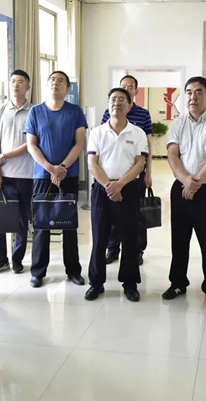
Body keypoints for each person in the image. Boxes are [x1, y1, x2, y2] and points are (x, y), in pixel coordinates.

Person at [162, 76, 206, 306]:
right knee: (179, 240)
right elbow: (172, 154)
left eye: (199, 92)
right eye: (189, 92)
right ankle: (178, 282)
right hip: (181, 188)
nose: (193, 97)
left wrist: (196, 182)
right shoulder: (178, 123)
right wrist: (185, 180)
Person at [24, 71, 87, 288]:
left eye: (61, 81)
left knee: (69, 223)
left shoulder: (75, 112)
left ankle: (73, 270)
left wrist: (62, 168)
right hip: (42, 175)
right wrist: (50, 168)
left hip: (68, 174)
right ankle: (38, 271)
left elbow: (79, 143)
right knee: (41, 223)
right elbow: (31, 145)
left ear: (67, 88)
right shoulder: (36, 111)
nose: (55, 83)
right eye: (52, 80)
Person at [84, 88, 148, 301]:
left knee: (130, 238)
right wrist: (109, 186)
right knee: (99, 238)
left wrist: (120, 185)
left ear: (129, 105)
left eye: (122, 99)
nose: (116, 103)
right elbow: (92, 163)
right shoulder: (97, 132)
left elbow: (140, 163)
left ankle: (130, 284)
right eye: (113, 99)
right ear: (108, 104)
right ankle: (96, 283)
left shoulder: (137, 133)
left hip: (128, 189)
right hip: (102, 189)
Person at [101, 75, 153, 266]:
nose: (127, 89)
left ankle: (137, 250)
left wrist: (148, 172)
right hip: (111, 176)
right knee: (113, 215)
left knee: (136, 215)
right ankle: (113, 248)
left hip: (135, 176)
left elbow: (148, 145)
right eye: (124, 86)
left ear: (136, 91)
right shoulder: (109, 112)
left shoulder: (143, 114)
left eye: (130, 87)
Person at [0, 70, 34, 275]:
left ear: (28, 87)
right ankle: (0, 259)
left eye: (20, 81)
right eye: (13, 81)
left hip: (25, 173)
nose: (16, 84)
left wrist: (3, 156)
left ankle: (17, 258)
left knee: (21, 218)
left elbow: (30, 144)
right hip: (2, 173)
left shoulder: (34, 111)